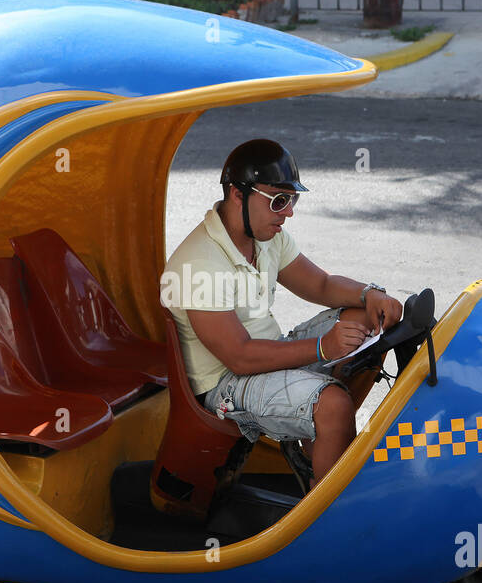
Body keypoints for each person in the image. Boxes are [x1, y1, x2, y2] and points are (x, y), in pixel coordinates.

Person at [160, 138, 403, 490]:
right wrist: (323, 348)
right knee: (334, 406)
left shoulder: (265, 234)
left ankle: (315, 446)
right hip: (225, 383)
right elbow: (239, 357)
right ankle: (327, 520)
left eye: (292, 200)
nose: (288, 212)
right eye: (279, 200)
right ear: (237, 194)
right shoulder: (200, 264)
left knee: (364, 318)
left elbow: (318, 284)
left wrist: (371, 295)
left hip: (268, 351)